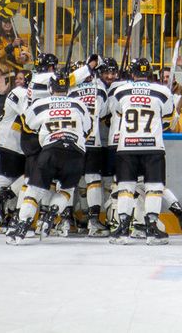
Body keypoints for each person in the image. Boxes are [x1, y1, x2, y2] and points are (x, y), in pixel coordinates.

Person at [5, 70, 92, 245]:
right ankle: (52, 212)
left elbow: (27, 126)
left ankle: (22, 226)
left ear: (50, 88)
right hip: (76, 152)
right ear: (67, 88)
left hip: (50, 151)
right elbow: (87, 130)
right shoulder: (79, 104)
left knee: (34, 191)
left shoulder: (40, 104)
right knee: (66, 190)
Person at [108, 58, 175, 245]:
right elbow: (169, 117)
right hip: (153, 146)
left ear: (132, 73)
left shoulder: (120, 91)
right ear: (150, 73)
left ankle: (122, 230)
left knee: (126, 188)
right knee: (154, 188)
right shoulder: (162, 91)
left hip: (126, 147)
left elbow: (118, 113)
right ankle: (152, 230)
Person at [0, 70, 31, 234]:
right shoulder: (19, 92)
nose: (18, 81)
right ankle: (1, 203)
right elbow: (28, 114)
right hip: (12, 142)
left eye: (21, 78)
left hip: (10, 142)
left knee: (6, 179)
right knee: (29, 176)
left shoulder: (18, 92)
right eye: (17, 78)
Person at [68, 58, 110, 236]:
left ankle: (66, 220)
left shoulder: (68, 89)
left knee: (68, 181)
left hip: (72, 141)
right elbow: (104, 112)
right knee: (93, 180)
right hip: (93, 140)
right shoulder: (99, 88)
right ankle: (93, 221)